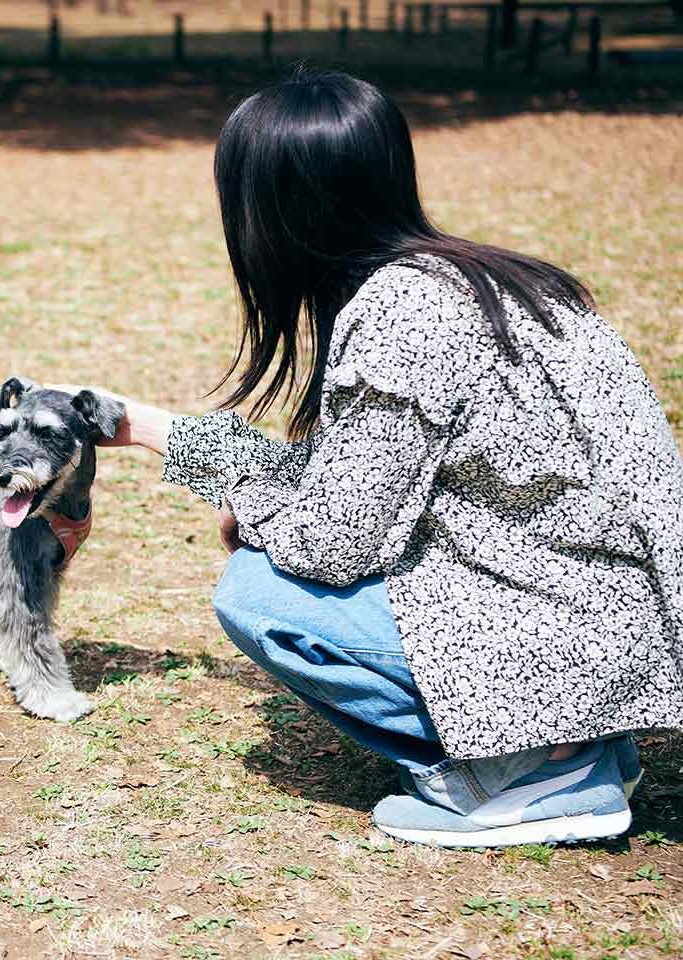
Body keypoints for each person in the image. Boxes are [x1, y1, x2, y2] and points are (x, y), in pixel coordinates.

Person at [88, 71, 682, 848]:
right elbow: (347, 477)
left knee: (261, 594)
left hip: (566, 628)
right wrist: (142, 426)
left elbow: (333, 542)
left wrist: (252, 513)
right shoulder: (481, 279)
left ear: (278, 208)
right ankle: (579, 745)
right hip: (617, 624)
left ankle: (530, 776)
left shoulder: (400, 313)